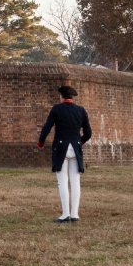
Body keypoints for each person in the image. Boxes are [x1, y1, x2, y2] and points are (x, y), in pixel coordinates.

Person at [38, 85, 92, 223]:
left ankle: (65, 214)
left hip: (61, 147)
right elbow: (88, 132)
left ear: (61, 96)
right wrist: (80, 141)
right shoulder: (81, 110)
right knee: (75, 182)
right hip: (75, 146)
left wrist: (41, 142)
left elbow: (47, 127)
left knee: (62, 182)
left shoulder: (57, 108)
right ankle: (74, 214)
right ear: (72, 97)